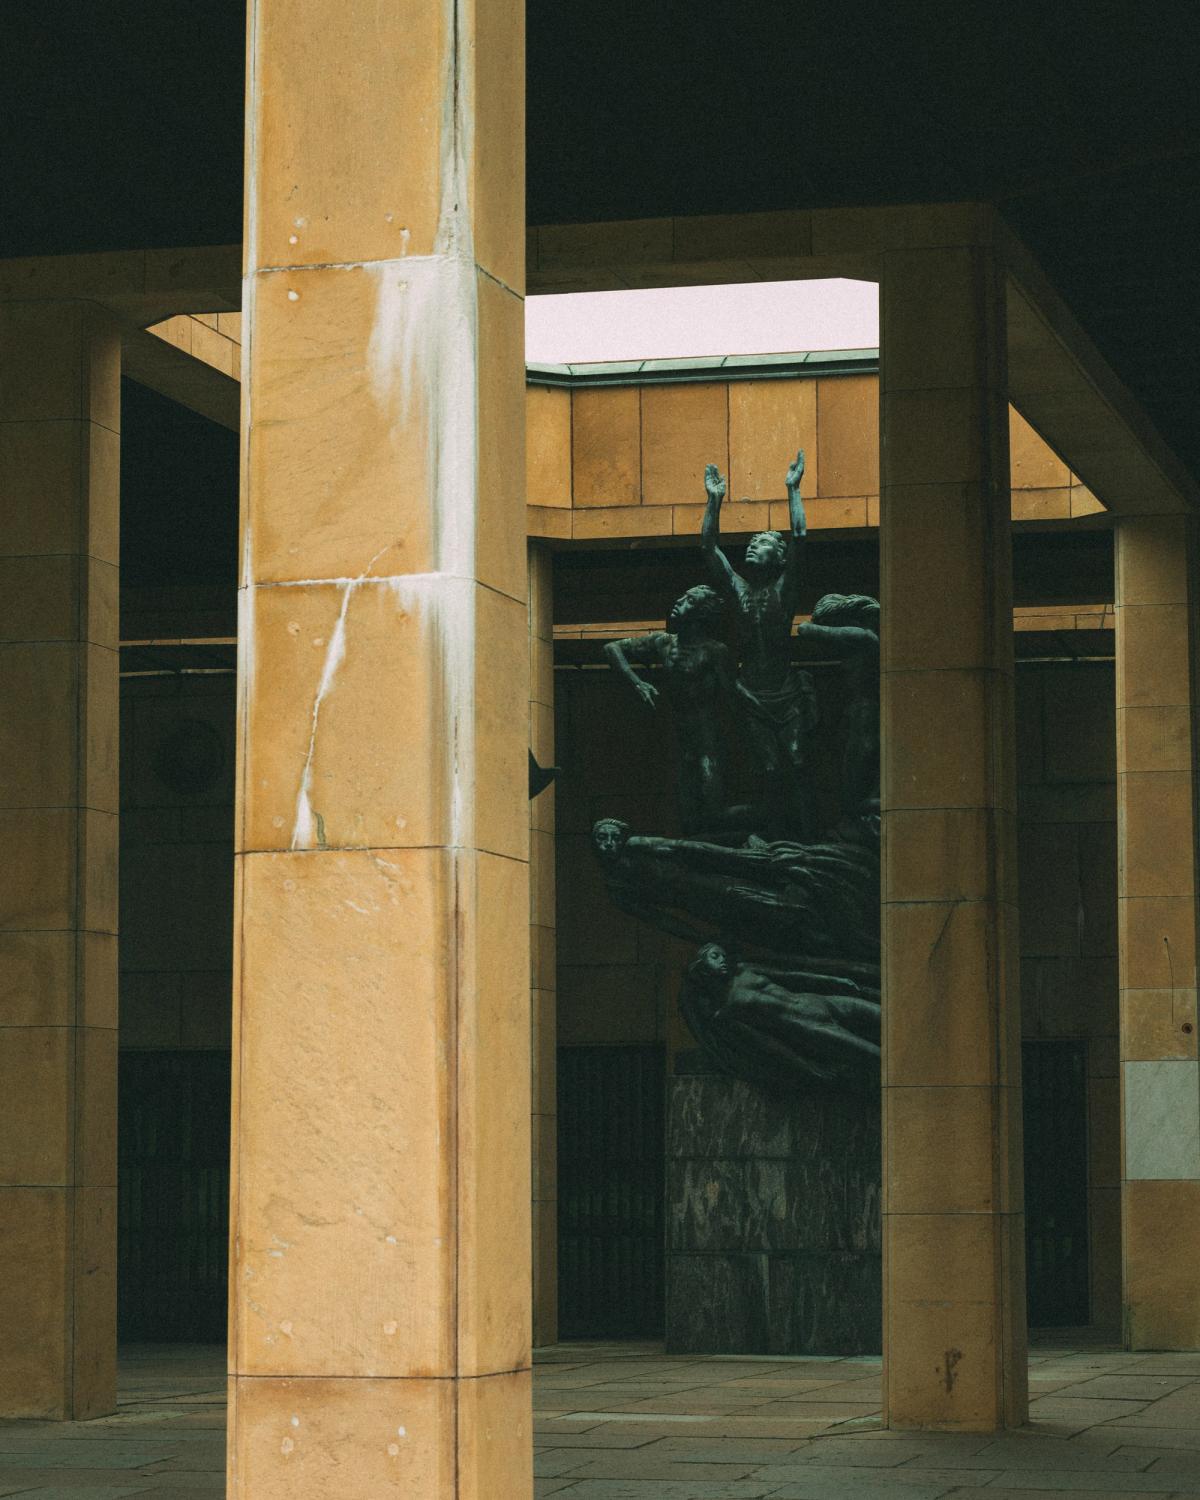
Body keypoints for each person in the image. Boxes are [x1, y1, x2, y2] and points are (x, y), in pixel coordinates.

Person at [701, 449, 816, 836]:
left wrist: (793, 490)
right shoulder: (739, 591)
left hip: (786, 693)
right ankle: (773, 836)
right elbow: (710, 548)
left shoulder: (785, 589)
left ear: (778, 557)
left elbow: (799, 536)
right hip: (751, 693)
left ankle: (805, 837)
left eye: (762, 542)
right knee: (767, 768)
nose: (752, 546)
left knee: (798, 761)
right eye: (751, 542)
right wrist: (714, 502)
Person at [603, 585, 735, 833]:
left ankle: (760, 822)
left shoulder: (715, 651)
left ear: (700, 613)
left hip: (708, 733)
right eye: (682, 595)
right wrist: (637, 682)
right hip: (678, 731)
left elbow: (732, 696)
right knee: (685, 803)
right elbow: (612, 648)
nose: (679, 600)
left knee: (712, 802)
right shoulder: (663, 642)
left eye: (688, 599)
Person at [680, 941, 880, 1094]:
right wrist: (810, 1068)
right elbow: (768, 1043)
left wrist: (835, 980)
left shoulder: (743, 970)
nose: (722, 959)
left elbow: (791, 974)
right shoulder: (725, 1010)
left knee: (883, 1014)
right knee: (875, 1054)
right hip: (810, 1026)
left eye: (723, 955)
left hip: (820, 1001)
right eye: (715, 956)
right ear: (701, 967)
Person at [797, 593, 880, 826]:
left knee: (852, 799)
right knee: (851, 793)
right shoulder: (862, 642)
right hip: (856, 713)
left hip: (865, 714)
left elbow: (805, 630)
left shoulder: (863, 637)